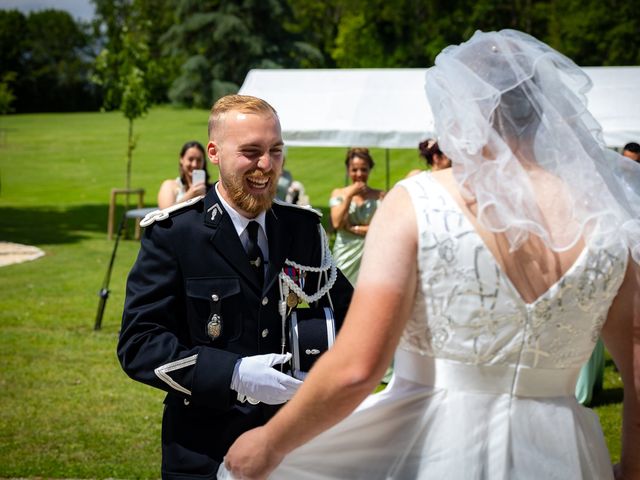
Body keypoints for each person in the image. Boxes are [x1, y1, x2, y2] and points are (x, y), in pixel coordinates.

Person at [221, 30, 640, 480]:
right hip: (565, 453)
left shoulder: (418, 202)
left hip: (438, 446)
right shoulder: (609, 216)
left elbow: (359, 369)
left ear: (465, 111)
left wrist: (269, 442)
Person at [117, 95, 353, 479]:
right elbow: (139, 343)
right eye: (251, 151)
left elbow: (350, 315)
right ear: (214, 152)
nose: (266, 166)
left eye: (276, 151)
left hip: (293, 445)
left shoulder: (302, 229)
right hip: (204, 451)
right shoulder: (176, 234)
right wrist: (234, 373)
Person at [329, 147, 385, 285]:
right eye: (354, 170)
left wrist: (354, 228)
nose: (359, 174)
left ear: (369, 170)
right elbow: (337, 223)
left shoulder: (381, 196)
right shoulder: (339, 193)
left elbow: (382, 228)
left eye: (363, 169)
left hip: (372, 252)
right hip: (345, 253)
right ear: (348, 170)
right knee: (342, 292)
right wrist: (349, 196)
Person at [157, 140, 210, 208]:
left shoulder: (212, 189)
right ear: (181, 159)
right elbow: (164, 213)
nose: (194, 164)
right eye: (190, 159)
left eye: (199, 160)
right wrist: (190, 195)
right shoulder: (169, 186)